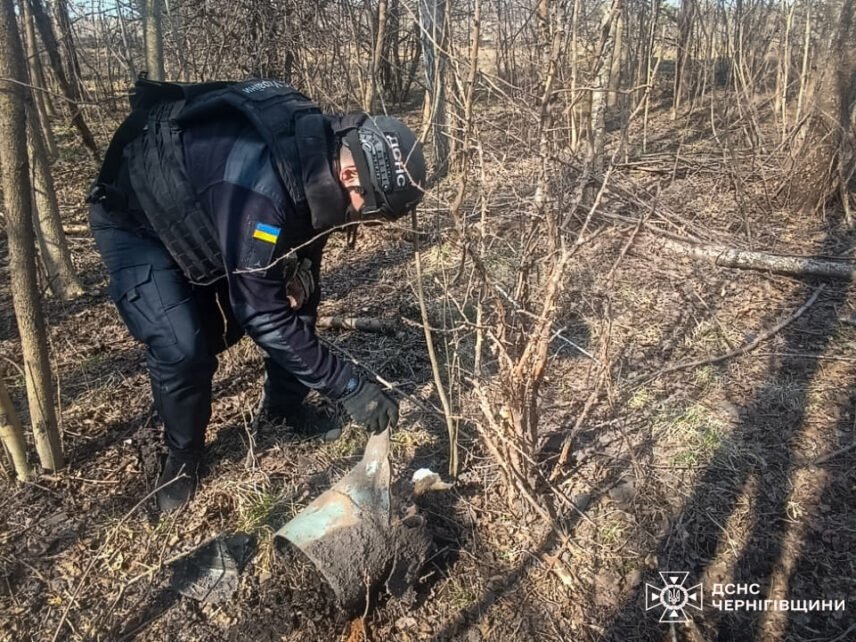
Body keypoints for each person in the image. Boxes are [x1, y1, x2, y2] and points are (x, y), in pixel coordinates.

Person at [87, 77, 426, 512]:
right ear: (348, 175)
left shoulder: (317, 163)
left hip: (202, 213)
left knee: (296, 294)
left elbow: (296, 282)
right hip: (136, 219)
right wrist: (348, 386)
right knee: (184, 345)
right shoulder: (263, 192)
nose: (371, 223)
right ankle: (182, 455)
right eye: (373, 211)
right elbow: (260, 311)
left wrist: (299, 282)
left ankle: (284, 409)